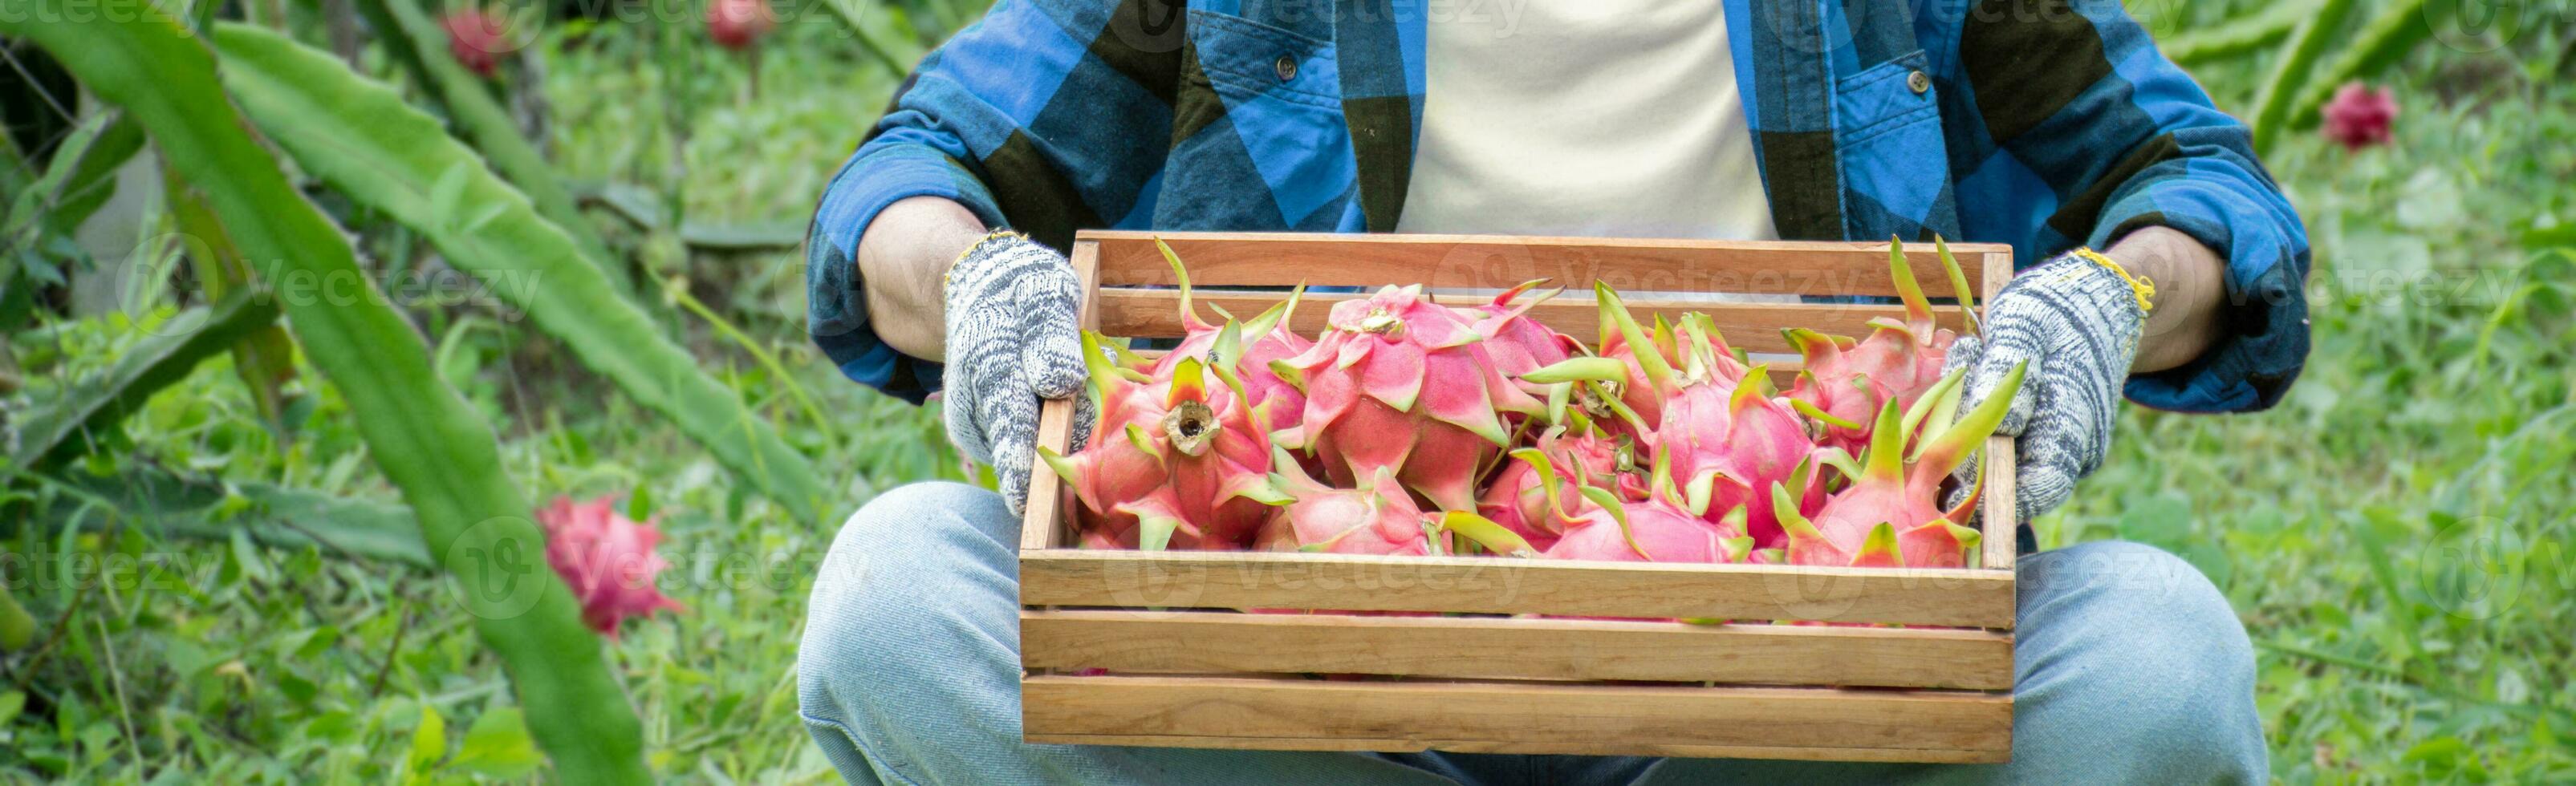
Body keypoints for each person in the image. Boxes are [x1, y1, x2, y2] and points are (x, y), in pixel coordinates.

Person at [794, 0, 2308, 782]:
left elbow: (2198, 192)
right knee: (892, 602)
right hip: (1294, 699)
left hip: (1798, 700)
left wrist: (2104, 303)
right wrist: (978, 284)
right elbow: (904, 185)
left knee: (2155, 662)